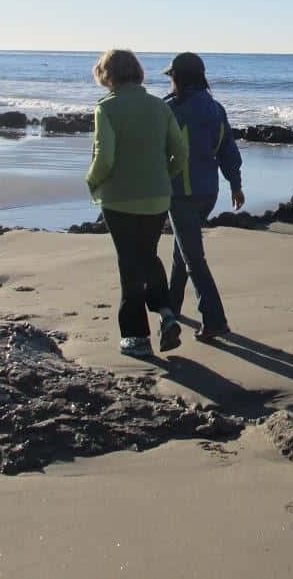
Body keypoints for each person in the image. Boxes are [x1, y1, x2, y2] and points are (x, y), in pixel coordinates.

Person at [86, 49, 189, 357]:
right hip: (158, 197)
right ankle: (167, 313)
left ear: (107, 75)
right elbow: (180, 153)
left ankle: (136, 337)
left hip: (120, 199)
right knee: (146, 256)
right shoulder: (159, 106)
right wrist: (161, 176)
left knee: (129, 263)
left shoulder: (106, 109)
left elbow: (104, 157)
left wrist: (92, 181)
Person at [161, 52, 244, 342]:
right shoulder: (215, 108)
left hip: (181, 191)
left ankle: (215, 320)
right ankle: (171, 308)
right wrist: (236, 184)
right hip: (209, 191)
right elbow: (228, 149)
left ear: (178, 78)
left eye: (171, 77)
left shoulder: (171, 109)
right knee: (181, 251)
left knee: (193, 258)